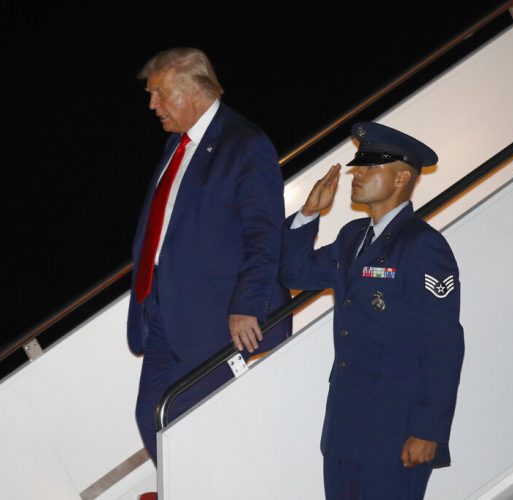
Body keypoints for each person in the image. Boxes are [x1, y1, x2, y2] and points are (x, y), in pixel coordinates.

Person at [280, 121, 465, 499]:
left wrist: (428, 430)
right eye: (357, 165)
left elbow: (444, 345)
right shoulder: (351, 237)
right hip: (345, 429)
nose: (356, 173)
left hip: (395, 432)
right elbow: (293, 272)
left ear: (400, 178)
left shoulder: (423, 246)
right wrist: (308, 216)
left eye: (370, 166)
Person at [128, 47, 292, 468]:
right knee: (152, 417)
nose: (152, 104)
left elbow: (264, 235)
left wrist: (247, 305)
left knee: (198, 428)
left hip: (218, 319)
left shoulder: (245, 145)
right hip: (164, 313)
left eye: (160, 93)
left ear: (194, 90)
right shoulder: (176, 145)